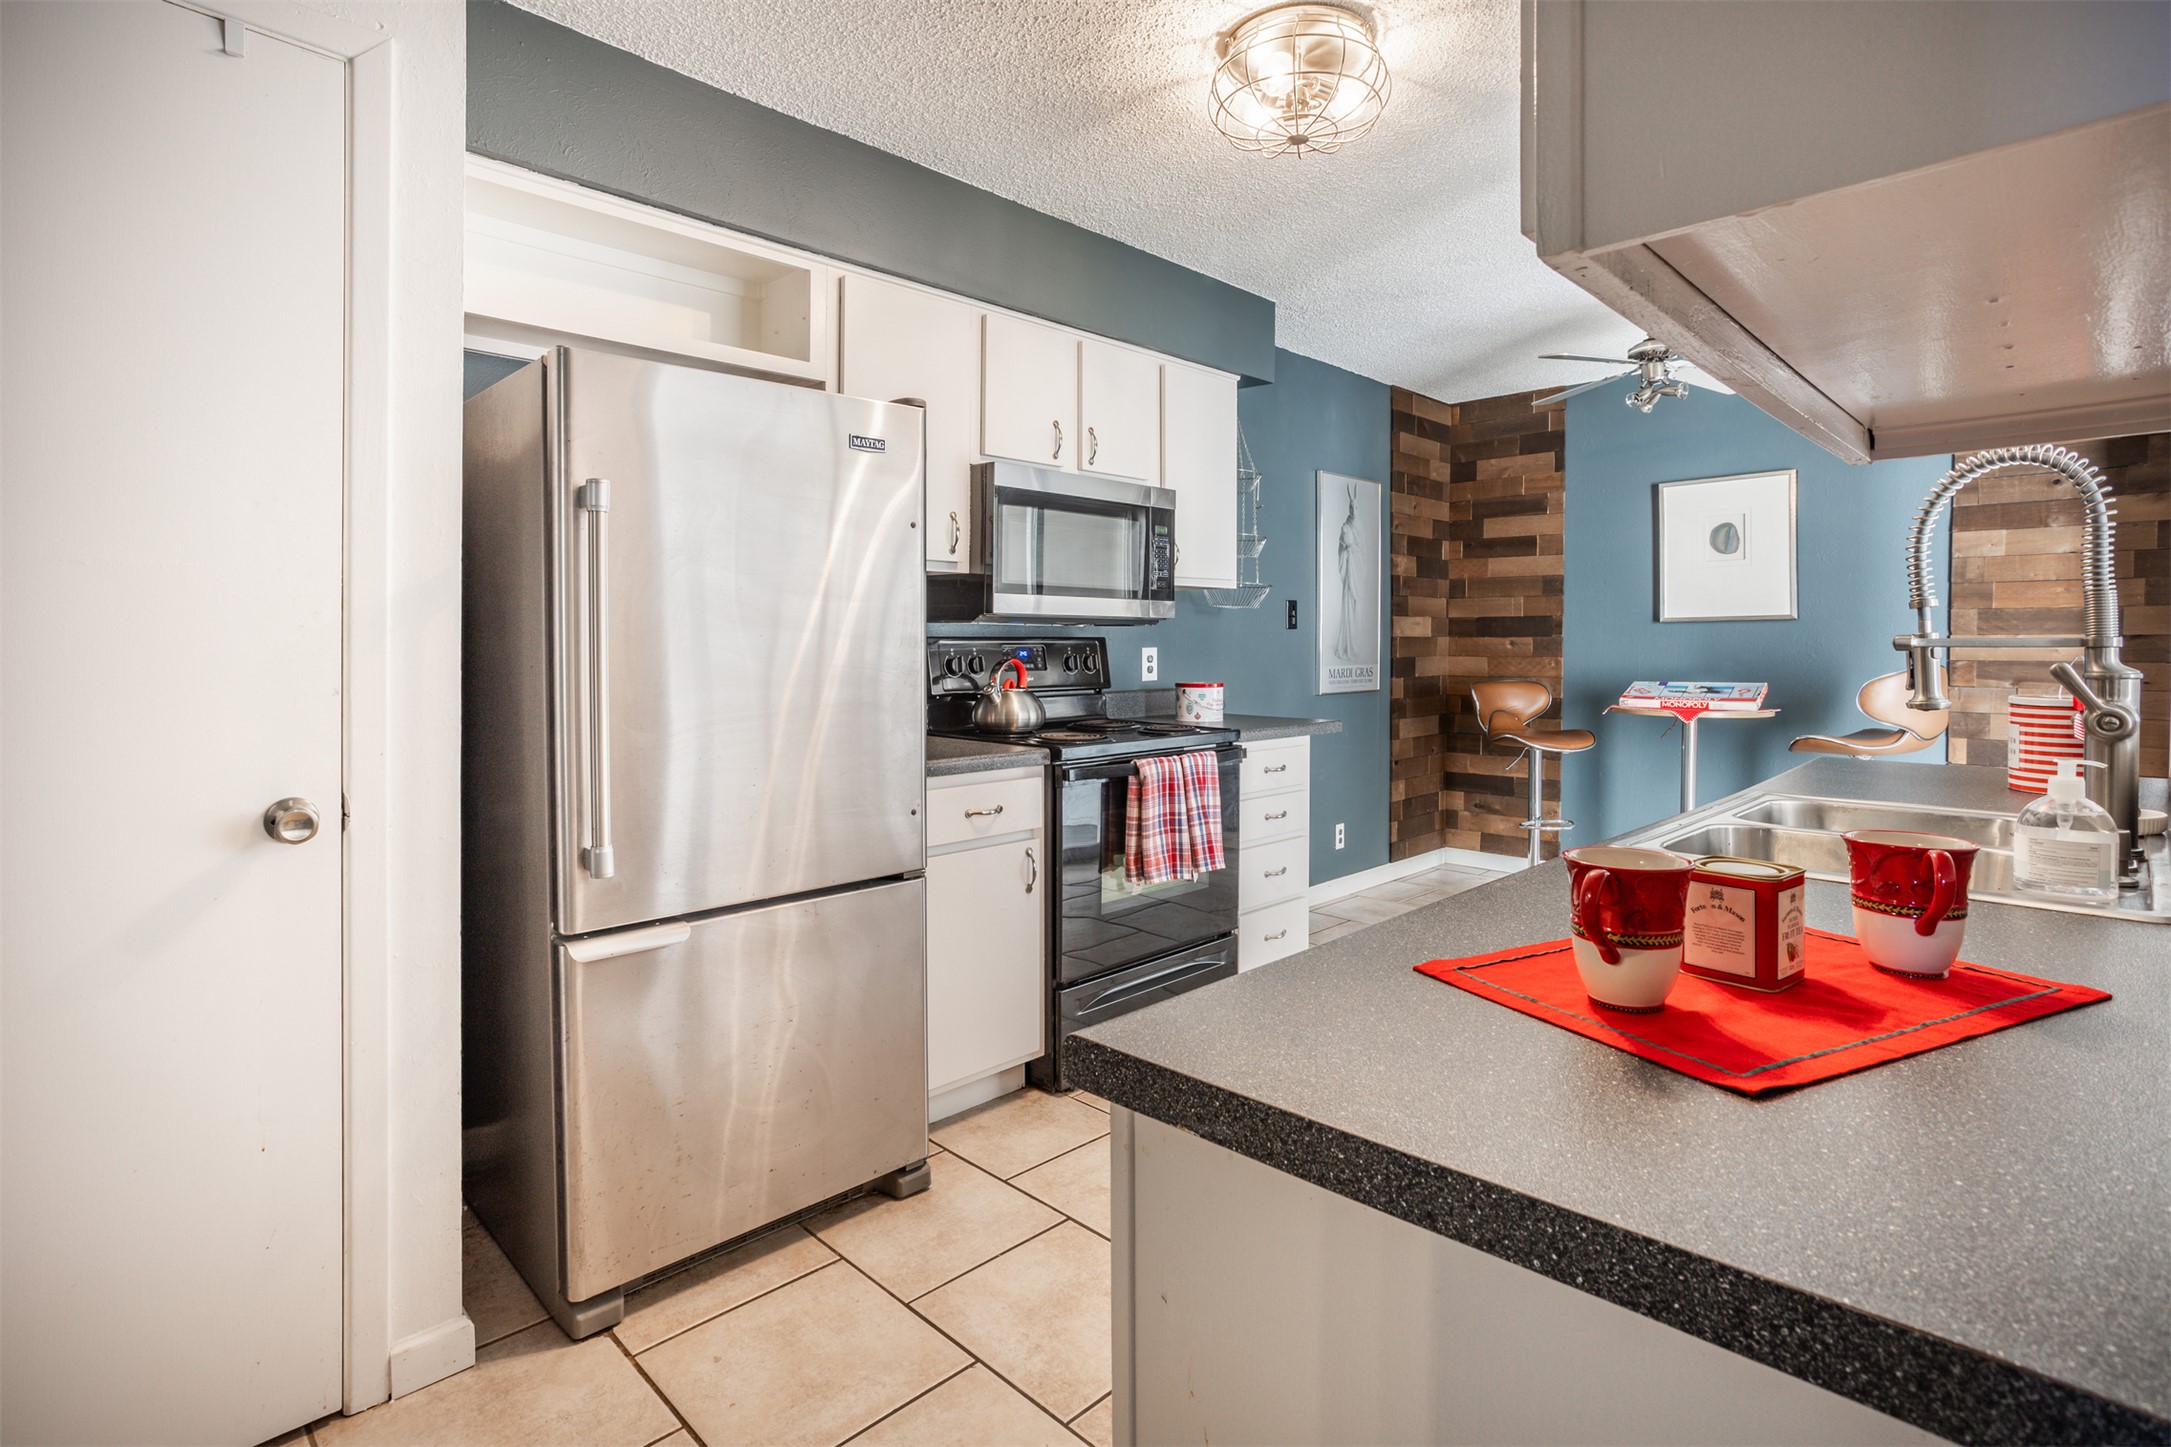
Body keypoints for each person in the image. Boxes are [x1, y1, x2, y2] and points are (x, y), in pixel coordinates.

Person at [1334, 487, 1361, 661]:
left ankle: (1356, 640)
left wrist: (1355, 551)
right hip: (1350, 570)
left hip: (1357, 570)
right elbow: (1341, 549)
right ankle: (1347, 642)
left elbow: (1362, 549)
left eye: (1355, 508)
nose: (1353, 511)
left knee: (1357, 601)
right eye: (1351, 508)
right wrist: (1347, 550)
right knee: (1349, 599)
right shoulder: (1345, 527)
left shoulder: (1359, 527)